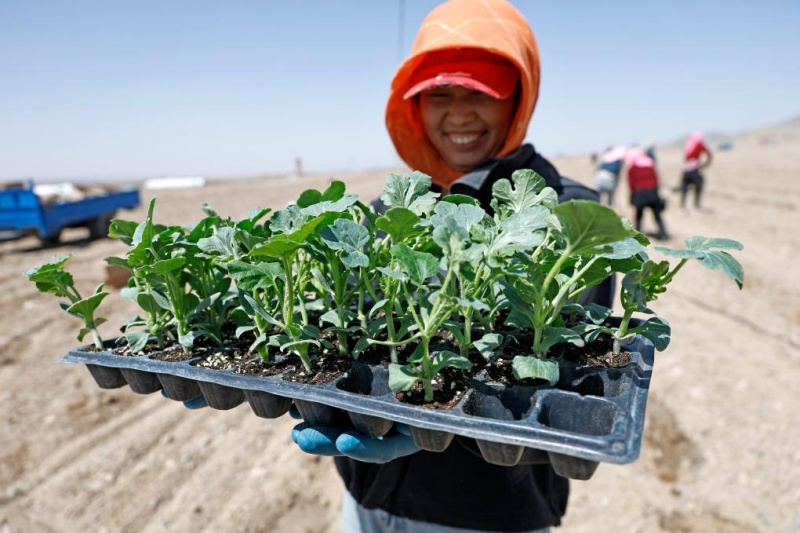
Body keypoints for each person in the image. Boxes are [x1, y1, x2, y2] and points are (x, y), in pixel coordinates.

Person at [179, 1, 611, 531]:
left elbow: (563, 385)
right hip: (369, 500)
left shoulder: (570, 214)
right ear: (414, 104)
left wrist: (457, 423)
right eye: (439, 94)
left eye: (480, 92)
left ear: (518, 97)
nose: (458, 113)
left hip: (485, 512)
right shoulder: (391, 211)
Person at [625, 147, 669, 240]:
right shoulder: (650, 166)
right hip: (653, 192)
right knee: (657, 215)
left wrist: (633, 196)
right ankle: (663, 234)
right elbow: (657, 180)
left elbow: (631, 183)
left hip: (640, 194)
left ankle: (636, 236)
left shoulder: (633, 167)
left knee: (639, 216)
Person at [680, 130, 713, 209]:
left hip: (686, 169)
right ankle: (696, 205)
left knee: (685, 188)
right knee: (698, 186)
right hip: (694, 169)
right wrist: (706, 164)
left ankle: (683, 205)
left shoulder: (688, 143)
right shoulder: (698, 143)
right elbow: (709, 153)